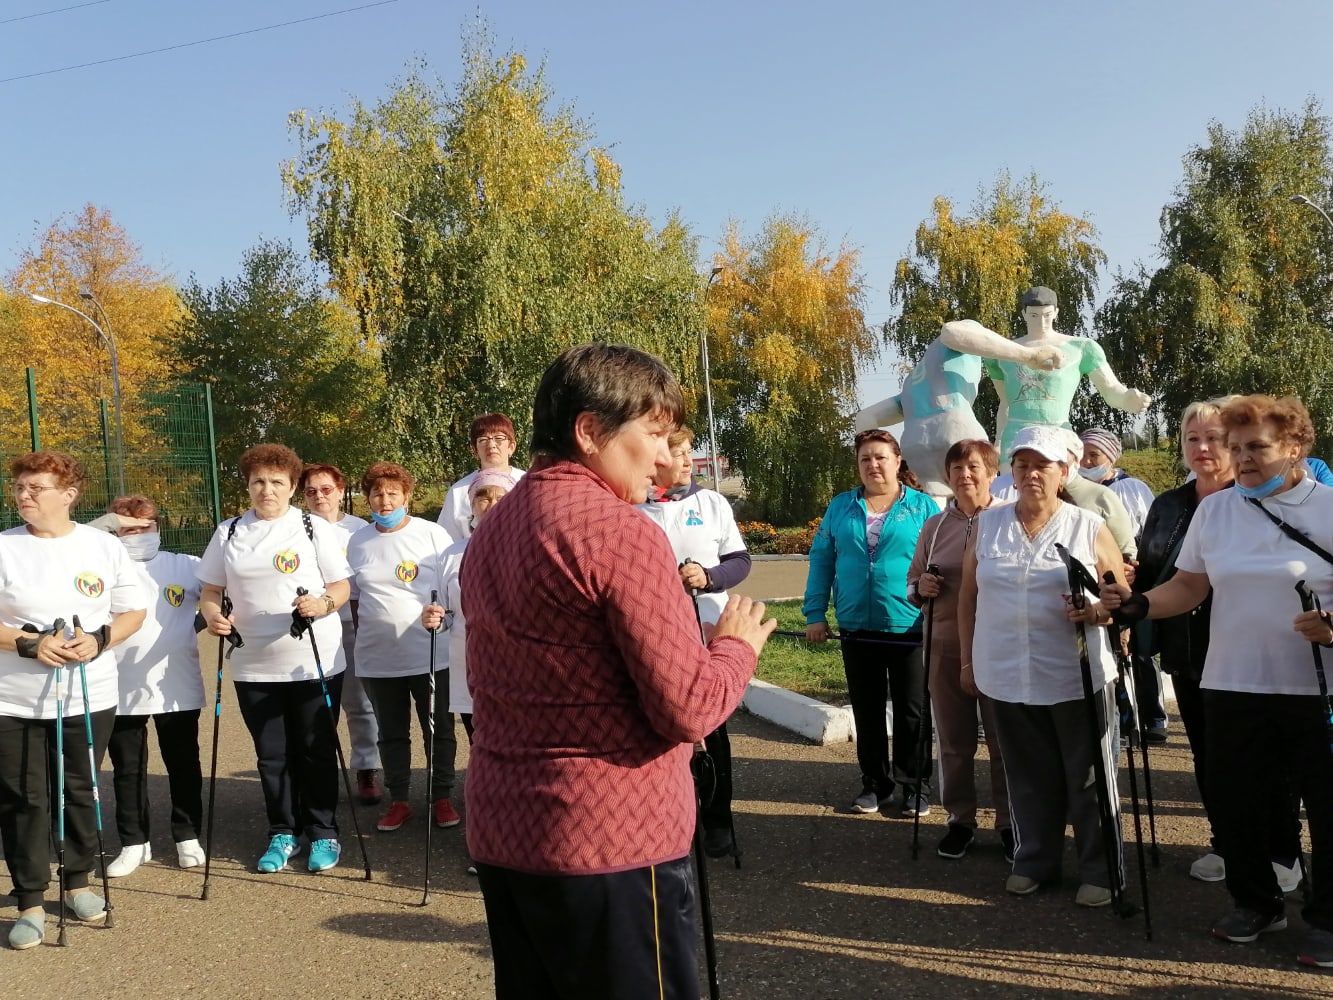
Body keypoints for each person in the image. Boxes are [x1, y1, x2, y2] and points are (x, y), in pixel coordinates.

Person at [461, 343, 774, 998]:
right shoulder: (619, 531)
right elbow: (686, 707)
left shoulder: (492, 529)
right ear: (589, 430)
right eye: (653, 434)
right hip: (609, 840)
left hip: (507, 829)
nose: (665, 457)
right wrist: (735, 647)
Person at [1098, 395, 1333, 965]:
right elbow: (1189, 587)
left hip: (1316, 688)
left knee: (1327, 807)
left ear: (1296, 448)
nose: (1242, 458)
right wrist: (1137, 606)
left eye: (1258, 447)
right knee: (1237, 802)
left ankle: (1327, 918)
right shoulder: (1218, 511)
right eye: (1237, 447)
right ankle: (1257, 903)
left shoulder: (1328, 509)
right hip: (1230, 683)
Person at [1131, 396, 1302, 889]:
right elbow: (1154, 573)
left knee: (1269, 759)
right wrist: (1130, 593)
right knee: (1211, 756)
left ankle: (1282, 850)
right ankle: (1227, 841)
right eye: (1192, 438)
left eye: (1213, 438)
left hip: (1255, 649)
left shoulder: (1256, 500)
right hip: (1189, 653)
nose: (1203, 447)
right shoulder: (1169, 505)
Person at [958, 426, 1129, 907]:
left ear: (1064, 472)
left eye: (1043, 466)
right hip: (1005, 674)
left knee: (1088, 775)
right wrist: (968, 661)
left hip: (1074, 675)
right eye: (1023, 464)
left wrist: (1095, 610)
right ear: (1011, 471)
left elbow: (1118, 599)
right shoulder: (987, 525)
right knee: (1026, 774)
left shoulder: (1086, 526)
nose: (1031, 473)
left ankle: (1101, 868)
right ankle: (1035, 860)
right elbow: (968, 597)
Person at [0, 452, 146, 949]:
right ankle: (30, 902)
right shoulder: (4, 547)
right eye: (19, 486)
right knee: (25, 799)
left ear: (69, 494)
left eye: (35, 487)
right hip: (14, 701)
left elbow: (133, 610)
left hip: (90, 695)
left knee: (80, 790)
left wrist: (102, 639)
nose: (23, 495)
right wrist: (27, 643)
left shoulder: (102, 546)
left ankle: (79, 881)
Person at [197, 443, 353, 875]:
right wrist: (213, 617)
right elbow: (210, 591)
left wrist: (322, 604)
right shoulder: (228, 531)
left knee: (315, 748)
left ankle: (323, 831)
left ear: (291, 487)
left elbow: (340, 587)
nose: (267, 490)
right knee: (272, 754)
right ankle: (283, 831)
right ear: (247, 486)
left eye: (277, 482)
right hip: (253, 665)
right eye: (258, 482)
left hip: (313, 659)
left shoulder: (311, 527)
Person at [803, 429, 937, 816]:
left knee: (914, 710)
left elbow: (939, 561)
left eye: (880, 457)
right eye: (865, 459)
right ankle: (875, 784)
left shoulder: (923, 507)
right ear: (858, 466)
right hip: (857, 626)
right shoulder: (840, 507)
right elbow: (822, 560)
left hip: (909, 625)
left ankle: (915, 786)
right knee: (867, 708)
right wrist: (815, 614)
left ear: (898, 461)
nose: (873, 465)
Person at [638, 425, 752, 858]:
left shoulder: (711, 502)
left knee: (710, 726)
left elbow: (739, 561)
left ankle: (717, 818)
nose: (686, 460)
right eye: (677, 452)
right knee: (661, 725)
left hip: (705, 627)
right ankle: (668, 817)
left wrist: (708, 578)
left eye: (689, 452)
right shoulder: (631, 505)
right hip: (654, 631)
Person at [907, 439, 1012, 862]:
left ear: (991, 472)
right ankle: (961, 821)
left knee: (1004, 741)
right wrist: (921, 588)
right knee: (953, 740)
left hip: (998, 645)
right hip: (945, 643)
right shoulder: (934, 527)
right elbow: (912, 581)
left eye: (973, 467)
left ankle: (1009, 822)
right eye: (956, 468)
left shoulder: (1007, 519)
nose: (964, 475)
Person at [345, 462, 459, 833]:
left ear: (407, 496)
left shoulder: (432, 535)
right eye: (377, 493)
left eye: (393, 492)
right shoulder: (358, 542)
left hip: (429, 652)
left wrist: (440, 614)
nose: (385, 499)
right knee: (390, 733)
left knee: (437, 728)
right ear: (368, 499)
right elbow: (356, 599)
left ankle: (440, 796)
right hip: (378, 658)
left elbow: (448, 590)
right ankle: (399, 800)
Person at [100, 494, 207, 878]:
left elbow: (214, 600)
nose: (137, 536)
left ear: (157, 528)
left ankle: (187, 835)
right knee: (127, 768)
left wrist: (193, 629)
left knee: (183, 763)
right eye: (127, 529)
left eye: (144, 528)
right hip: (117, 684)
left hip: (175, 683)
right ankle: (134, 842)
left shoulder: (185, 565)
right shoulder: (103, 566)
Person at [300, 463, 382, 806]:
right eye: (311, 491)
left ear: (340, 489)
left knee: (358, 702)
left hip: (351, 623)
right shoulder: (295, 528)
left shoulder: (359, 530)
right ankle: (314, 774)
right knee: (312, 706)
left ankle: (366, 768)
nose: (320, 497)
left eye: (326, 489)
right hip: (308, 628)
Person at [427, 469, 518, 742]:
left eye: (500, 497)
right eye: (483, 497)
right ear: (471, 503)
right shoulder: (452, 555)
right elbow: (444, 613)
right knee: (478, 738)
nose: (491, 504)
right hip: (468, 662)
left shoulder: (528, 546)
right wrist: (435, 618)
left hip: (517, 662)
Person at [436, 413, 526, 543]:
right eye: (483, 440)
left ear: (511, 447)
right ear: (475, 450)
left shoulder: (528, 482)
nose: (491, 445)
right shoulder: (458, 491)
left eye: (499, 438)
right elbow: (445, 541)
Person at [1078, 428, 1156, 535]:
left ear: (1110, 458)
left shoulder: (1133, 489)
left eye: (1094, 455)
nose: (1086, 461)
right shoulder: (1075, 491)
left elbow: (1154, 529)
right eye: (1082, 455)